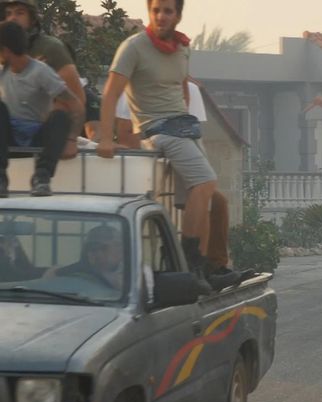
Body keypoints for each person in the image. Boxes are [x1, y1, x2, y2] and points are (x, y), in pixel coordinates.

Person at [96, 0, 237, 293]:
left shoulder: (183, 48)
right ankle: (190, 262)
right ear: (150, 12)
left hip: (184, 127)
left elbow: (181, 85)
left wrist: (184, 111)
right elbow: (110, 94)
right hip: (157, 129)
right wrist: (106, 138)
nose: (161, 16)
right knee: (206, 182)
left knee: (206, 198)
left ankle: (207, 272)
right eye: (156, 10)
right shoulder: (133, 47)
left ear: (178, 15)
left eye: (168, 11)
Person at [116, 79, 232, 277]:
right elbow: (126, 135)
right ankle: (190, 262)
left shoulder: (191, 90)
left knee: (216, 201)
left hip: (179, 156)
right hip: (150, 161)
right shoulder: (133, 88)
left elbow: (192, 134)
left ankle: (211, 265)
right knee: (204, 195)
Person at [0, 20, 84, 198]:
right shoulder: (3, 71)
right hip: (10, 137)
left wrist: (72, 139)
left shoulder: (41, 72)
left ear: (6, 50)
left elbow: (75, 104)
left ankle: (42, 177)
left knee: (60, 116)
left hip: (36, 135)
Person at [1, 0, 85, 156]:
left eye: (19, 13)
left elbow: (76, 98)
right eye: (8, 13)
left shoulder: (50, 48)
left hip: (40, 134)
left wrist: (68, 139)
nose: (12, 18)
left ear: (32, 19)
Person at [54, 225, 124, 290]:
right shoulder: (70, 273)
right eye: (92, 249)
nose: (98, 254)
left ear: (120, 249)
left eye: (104, 248)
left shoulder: (131, 274)